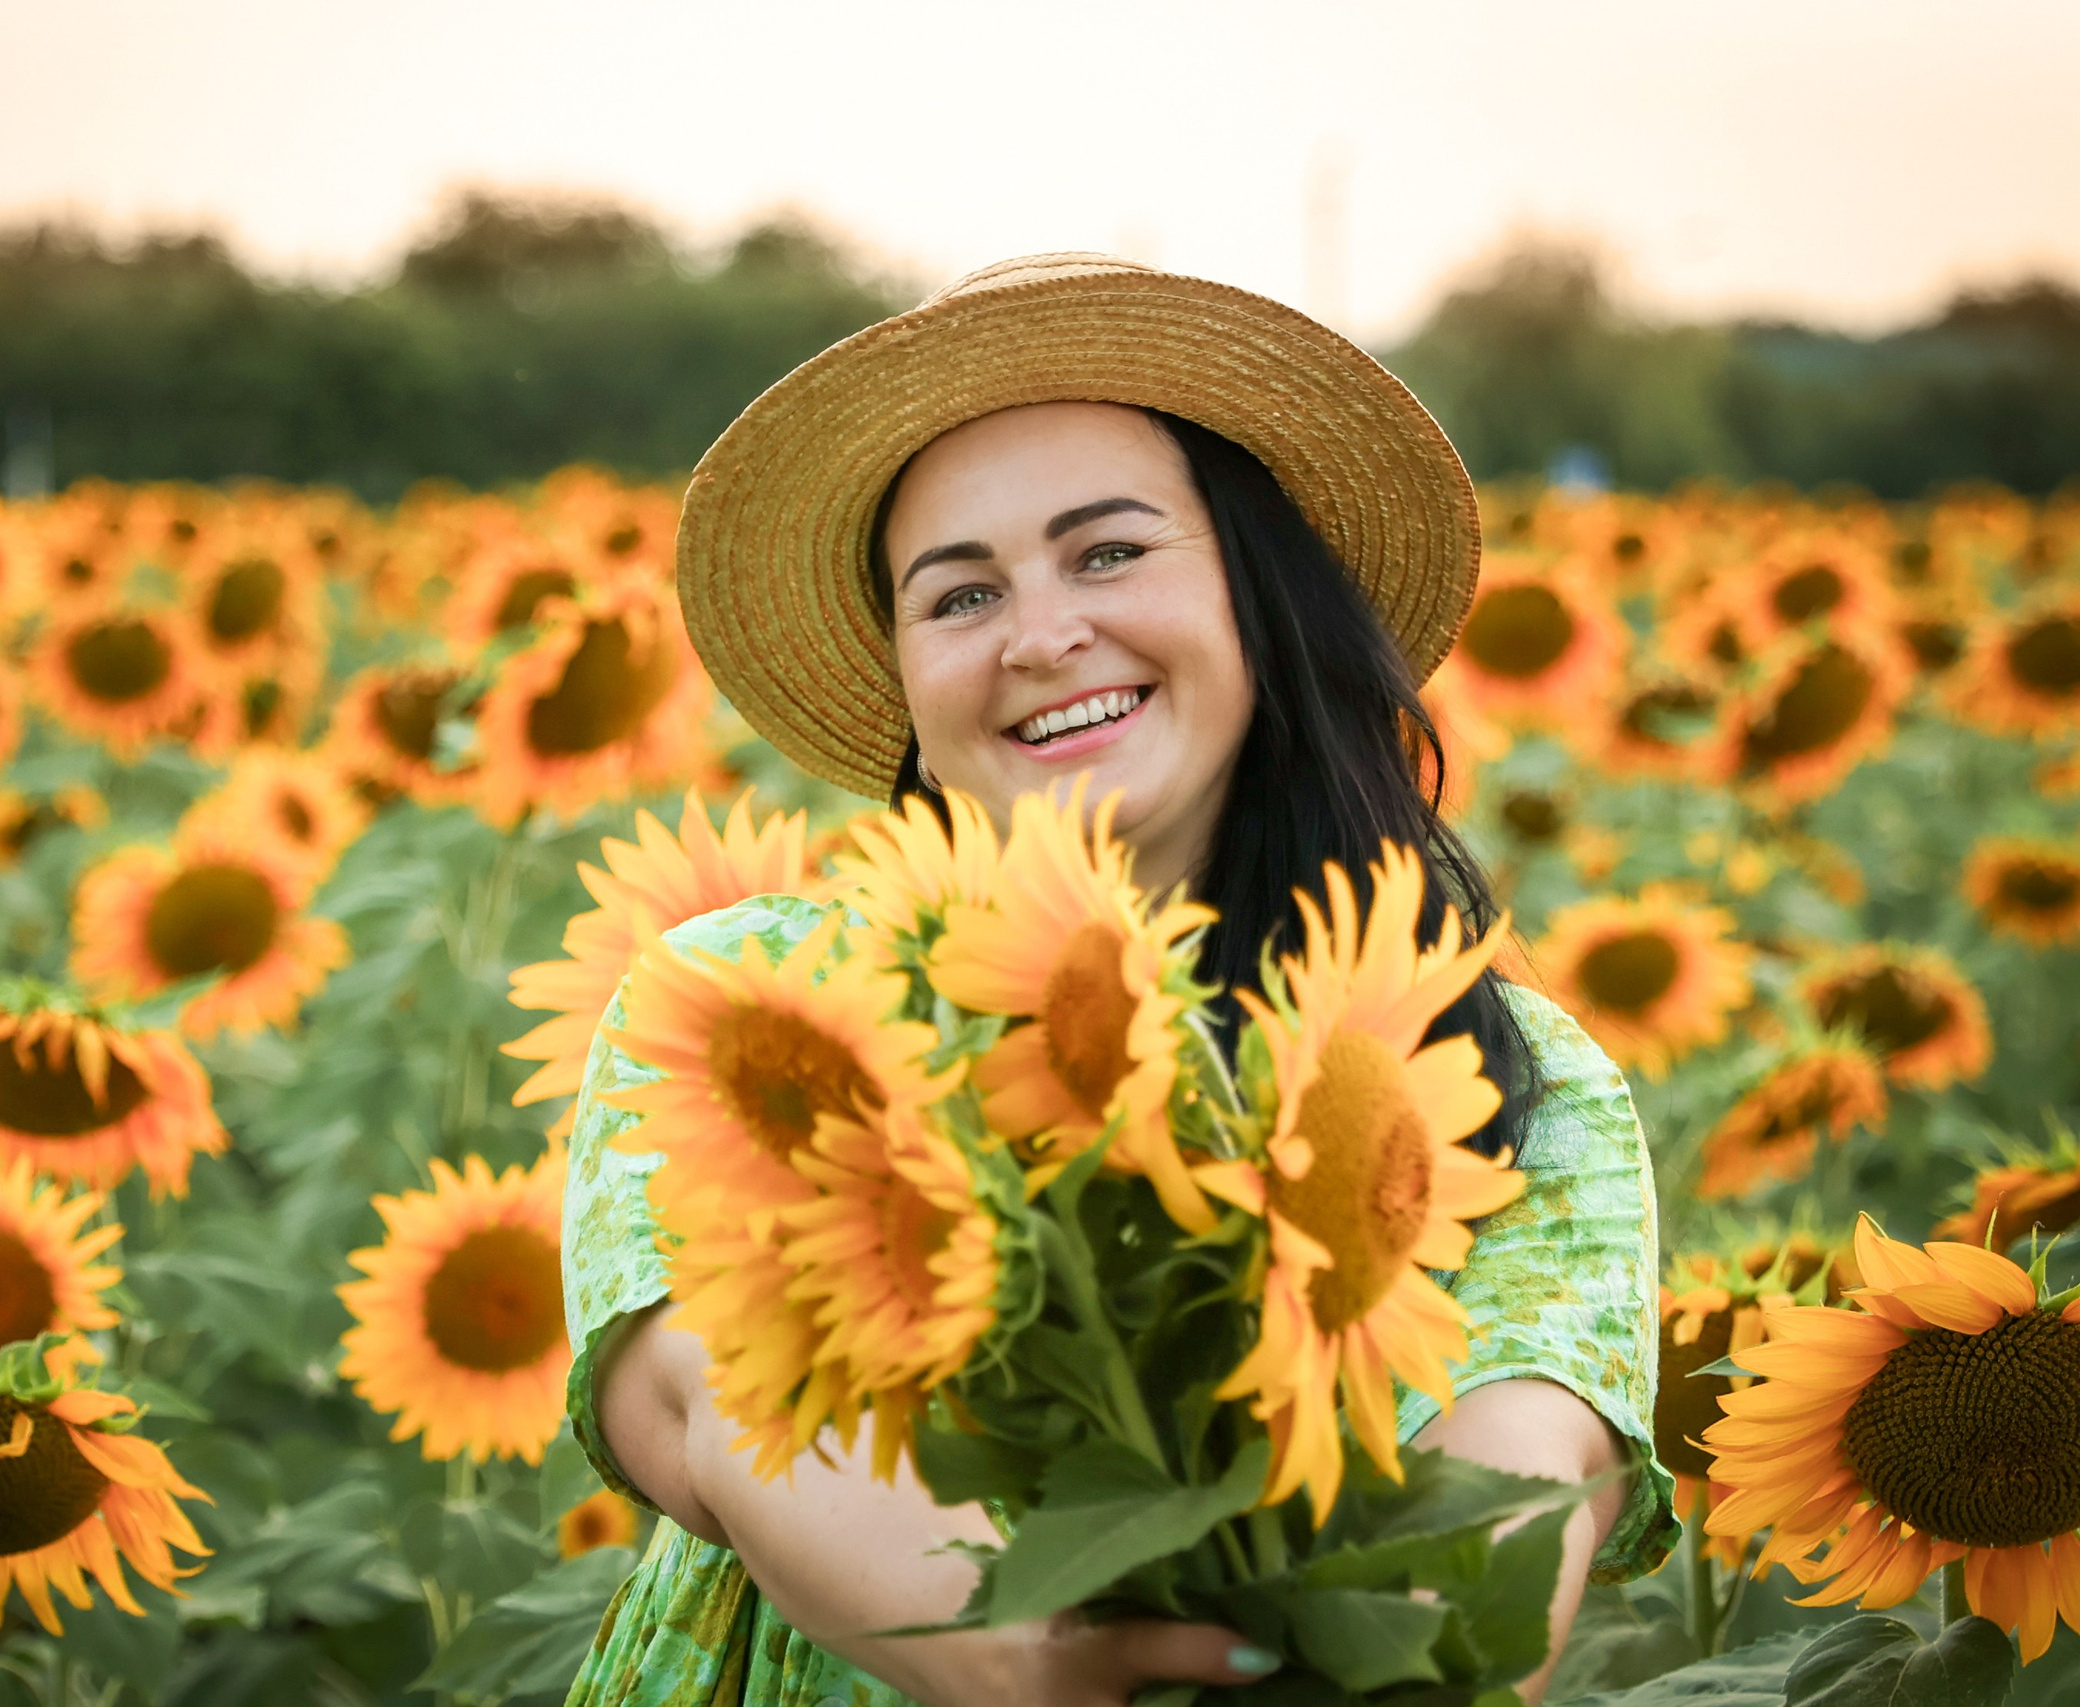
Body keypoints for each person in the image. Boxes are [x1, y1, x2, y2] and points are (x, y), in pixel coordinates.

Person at [560, 255, 1673, 1707]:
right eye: (957, 597)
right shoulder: (757, 1004)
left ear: (1261, 600)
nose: (1037, 636)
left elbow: (1514, 1496)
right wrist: (1009, 1642)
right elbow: (703, 1389)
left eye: (1108, 554)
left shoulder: (1497, 1073)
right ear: (906, 674)